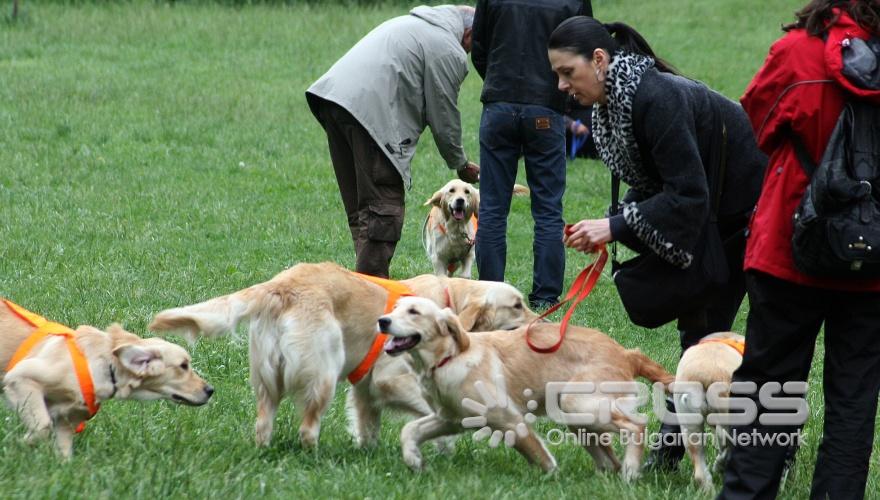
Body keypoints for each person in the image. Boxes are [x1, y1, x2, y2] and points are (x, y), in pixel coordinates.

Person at [547, 16, 766, 468]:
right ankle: (676, 450)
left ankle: (751, 452)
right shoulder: (615, 102)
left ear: (600, 60)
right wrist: (612, 221)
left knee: (723, 341)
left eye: (568, 72)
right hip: (708, 217)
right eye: (557, 74)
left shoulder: (655, 97)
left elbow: (687, 191)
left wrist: (616, 226)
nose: (562, 85)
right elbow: (657, 184)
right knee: (697, 334)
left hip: (748, 213)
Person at [719, 1, 880, 498]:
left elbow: (761, 126)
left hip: (790, 246)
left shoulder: (796, 52)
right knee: (854, 396)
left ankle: (748, 491)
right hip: (872, 255)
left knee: (770, 388)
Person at [306, 5, 480, 278]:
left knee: (364, 213)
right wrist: (460, 163)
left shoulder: (414, 25)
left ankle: (362, 287)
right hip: (370, 115)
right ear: (469, 34)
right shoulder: (447, 47)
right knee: (382, 213)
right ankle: (371, 302)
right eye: (475, 46)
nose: (469, 53)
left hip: (334, 101)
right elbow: (443, 113)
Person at [471, 0, 592, 309]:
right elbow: (584, 48)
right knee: (548, 210)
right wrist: (566, 102)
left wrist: (499, 86)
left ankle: (490, 296)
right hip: (546, 110)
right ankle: (545, 299)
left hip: (498, 105)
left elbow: (479, 46)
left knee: (493, 210)